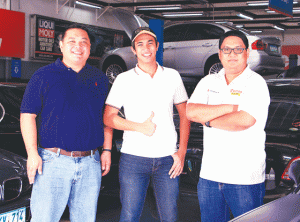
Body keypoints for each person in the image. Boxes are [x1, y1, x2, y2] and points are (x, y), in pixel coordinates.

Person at [20, 24, 112, 222]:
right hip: (52, 162)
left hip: (90, 163)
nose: (78, 46)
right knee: (44, 218)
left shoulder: (100, 79)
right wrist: (32, 153)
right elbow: (28, 115)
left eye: (84, 42)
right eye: (72, 42)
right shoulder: (43, 76)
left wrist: (107, 150)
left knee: (85, 219)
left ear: (90, 48)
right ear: (61, 46)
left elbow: (106, 118)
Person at [104, 27, 190, 222]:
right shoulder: (123, 79)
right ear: (133, 50)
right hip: (133, 159)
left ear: (157, 46)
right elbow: (108, 117)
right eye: (140, 44)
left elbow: (186, 116)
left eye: (150, 43)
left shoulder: (172, 76)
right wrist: (139, 127)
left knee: (169, 216)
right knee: (130, 216)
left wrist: (182, 153)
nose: (146, 48)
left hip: (168, 159)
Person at [186, 30, 270, 222]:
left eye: (238, 49)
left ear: (247, 53)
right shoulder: (208, 81)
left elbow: (244, 121)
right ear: (220, 54)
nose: (232, 54)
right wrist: (231, 107)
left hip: (245, 179)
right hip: (209, 176)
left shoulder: (256, 83)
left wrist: (207, 119)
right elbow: (191, 112)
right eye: (227, 49)